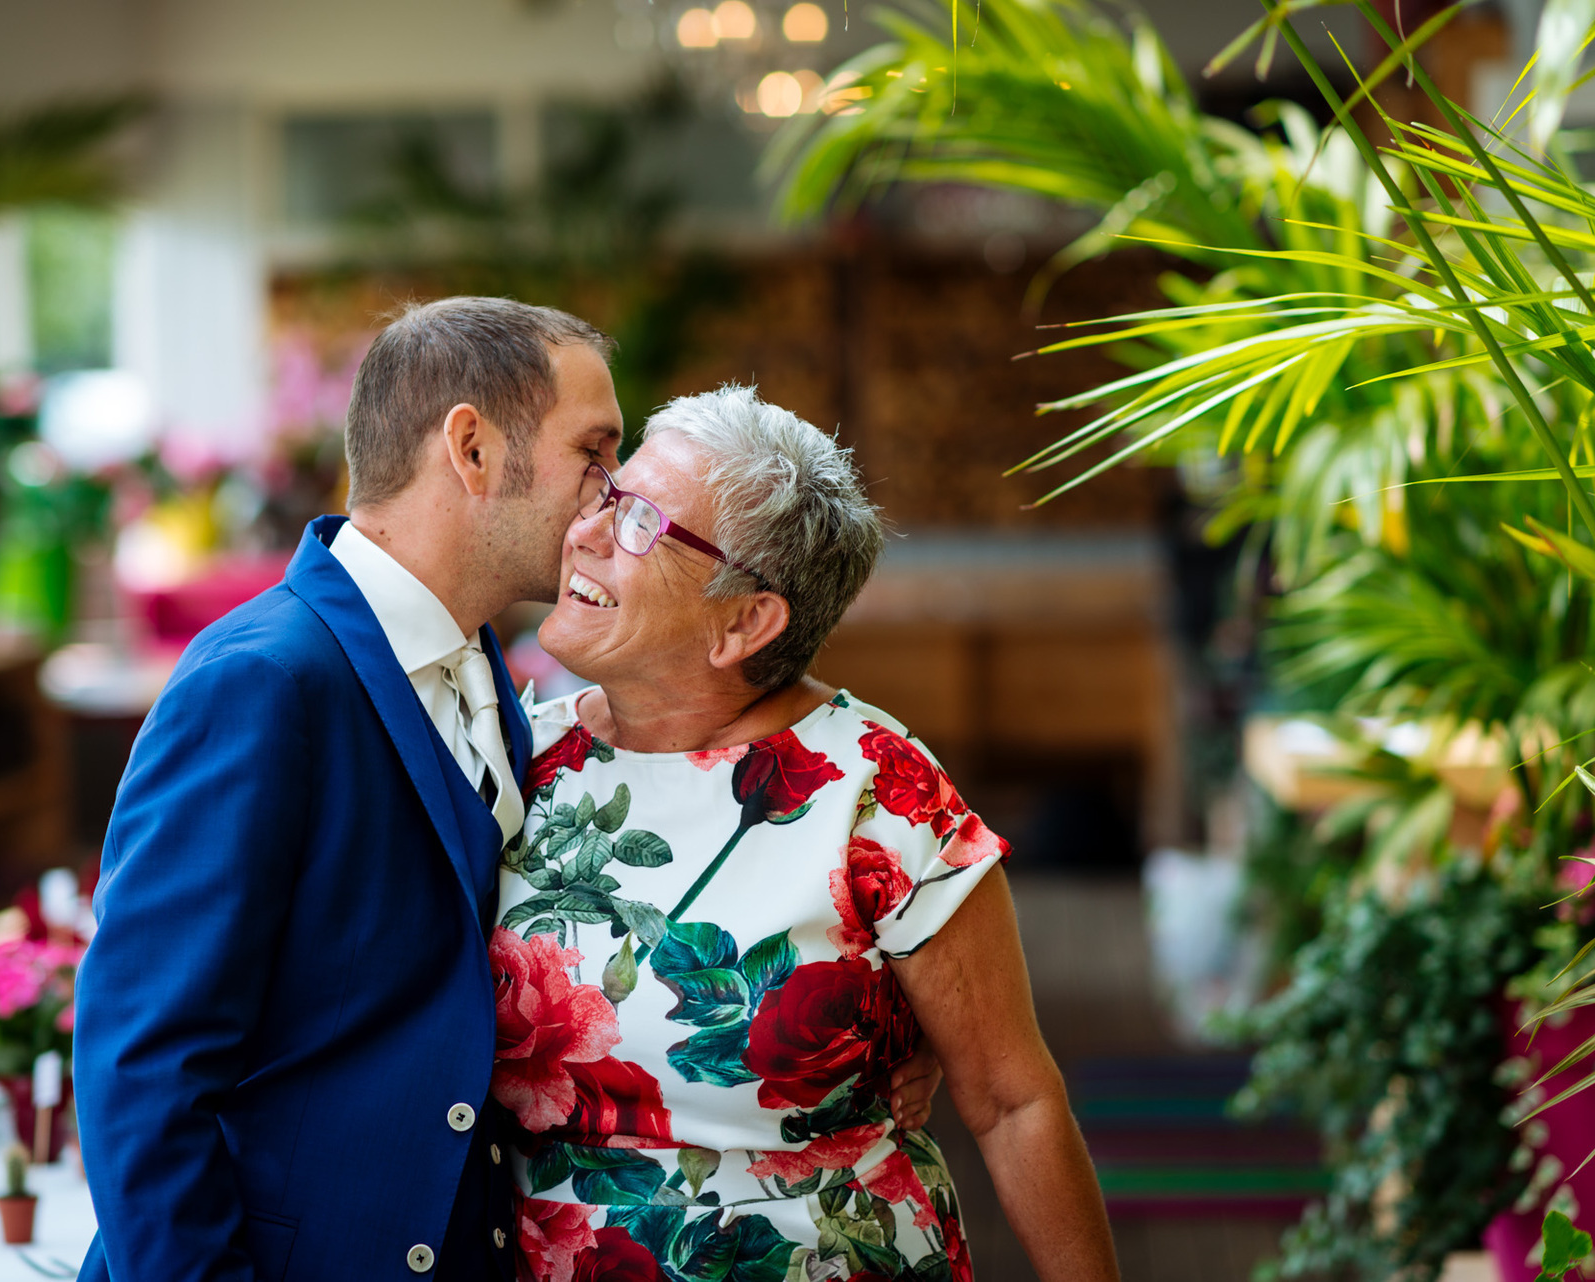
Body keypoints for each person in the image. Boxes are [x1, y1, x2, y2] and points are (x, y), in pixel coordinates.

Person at [74, 299, 941, 1282]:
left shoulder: (487, 669)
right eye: (595, 450)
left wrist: (882, 1030)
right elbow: (139, 1064)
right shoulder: (263, 681)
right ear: (473, 450)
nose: (613, 494)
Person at [492, 386, 1120, 1282]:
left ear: (745, 621)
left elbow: (1015, 1102)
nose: (587, 532)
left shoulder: (878, 790)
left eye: (641, 523)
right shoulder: (514, 762)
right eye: (607, 494)